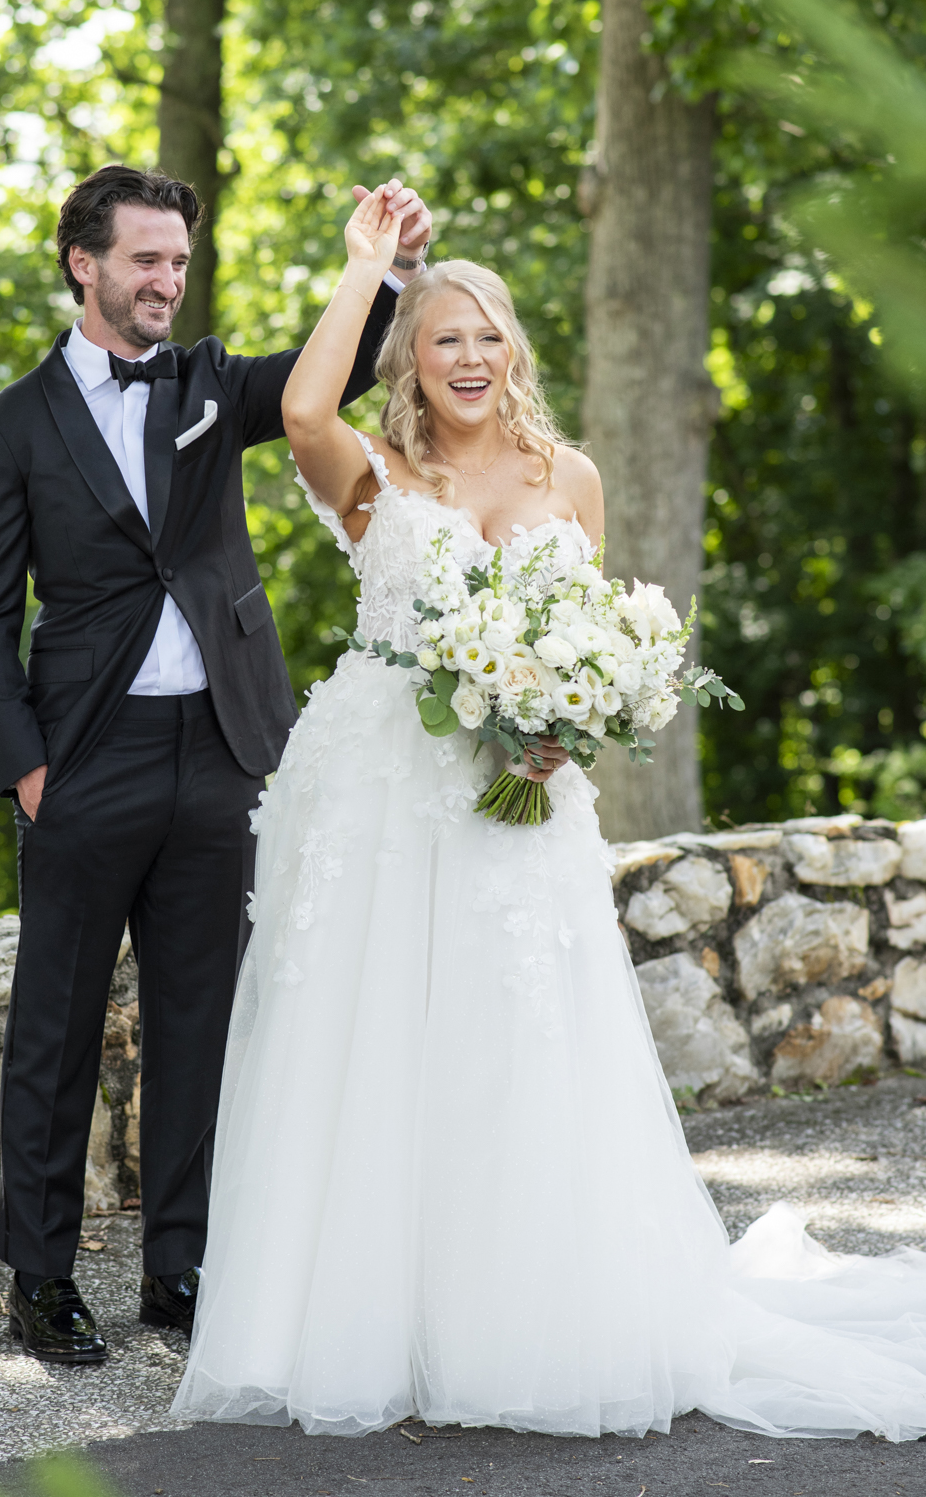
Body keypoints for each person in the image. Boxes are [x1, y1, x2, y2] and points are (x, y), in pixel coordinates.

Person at [171, 186, 926, 1439]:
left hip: (515, 797)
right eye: (442, 338)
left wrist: (559, 725)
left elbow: (597, 644)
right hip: (378, 794)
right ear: (409, 360)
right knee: (368, 1049)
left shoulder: (566, 474)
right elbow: (301, 406)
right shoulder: (375, 474)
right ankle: (368, 1325)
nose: (469, 358)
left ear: (513, 349)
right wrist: (367, 265)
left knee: (513, 1045)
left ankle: (521, 1318)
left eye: (487, 336)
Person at [0, 163, 431, 1364]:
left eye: (177, 261)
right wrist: (24, 766)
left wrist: (391, 271)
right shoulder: (8, 426)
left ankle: (183, 1266)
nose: (167, 280)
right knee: (54, 1030)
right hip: (83, 761)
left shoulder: (214, 386)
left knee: (205, 1020)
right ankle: (41, 1280)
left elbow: (327, 379)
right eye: (145, 260)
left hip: (225, 753)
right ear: (84, 264)